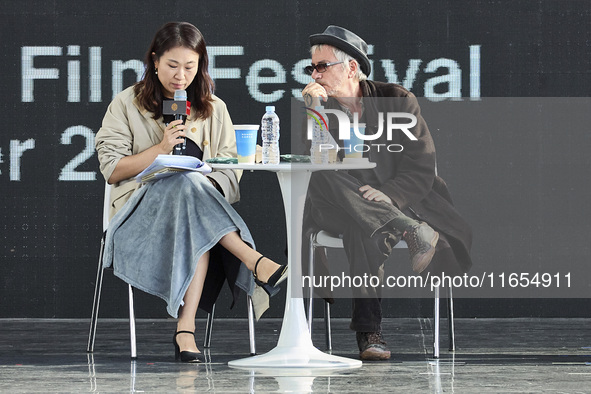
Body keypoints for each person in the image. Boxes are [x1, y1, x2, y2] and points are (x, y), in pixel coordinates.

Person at [95, 22, 286, 363]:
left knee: (190, 190)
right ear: (154, 61)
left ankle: (186, 329)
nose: (180, 76)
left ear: (201, 66)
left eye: (189, 66)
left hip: (196, 214)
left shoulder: (214, 107)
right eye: (172, 65)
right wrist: (160, 150)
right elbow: (112, 170)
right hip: (138, 215)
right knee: (186, 189)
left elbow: (231, 172)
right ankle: (253, 259)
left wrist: (203, 180)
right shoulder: (125, 103)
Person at [302, 25, 472, 360]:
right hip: (334, 204)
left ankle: (369, 333)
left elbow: (422, 167)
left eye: (323, 66)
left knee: (362, 226)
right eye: (312, 67)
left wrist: (390, 196)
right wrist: (315, 112)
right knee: (322, 173)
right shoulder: (316, 104)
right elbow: (310, 161)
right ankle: (407, 229)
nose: (315, 74)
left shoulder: (397, 100)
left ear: (351, 67)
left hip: (388, 203)